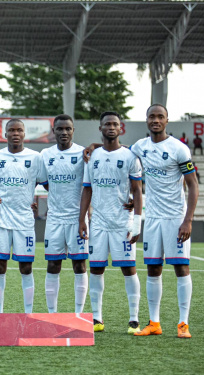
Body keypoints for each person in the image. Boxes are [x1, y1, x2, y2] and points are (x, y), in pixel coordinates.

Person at [85, 104, 198, 339]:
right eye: (151, 117)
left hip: (176, 217)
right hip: (153, 217)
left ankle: (183, 323)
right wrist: (95, 146)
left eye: (160, 117)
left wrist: (188, 220)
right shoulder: (140, 147)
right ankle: (154, 323)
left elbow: (193, 185)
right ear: (146, 120)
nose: (155, 120)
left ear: (167, 120)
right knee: (154, 269)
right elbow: (118, 150)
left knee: (181, 267)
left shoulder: (179, 149)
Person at [79, 111, 143, 334]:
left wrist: (137, 222)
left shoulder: (130, 156)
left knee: (129, 268)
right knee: (96, 268)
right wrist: (82, 220)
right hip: (98, 223)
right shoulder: (92, 156)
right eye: (107, 124)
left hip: (122, 222)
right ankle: (97, 318)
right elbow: (87, 189)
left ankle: (133, 319)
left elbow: (137, 189)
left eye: (115, 124)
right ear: (100, 128)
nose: (111, 127)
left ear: (120, 128)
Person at [0, 119, 47, 313]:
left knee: (26, 268)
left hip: (25, 221)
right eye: (11, 130)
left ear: (24, 134)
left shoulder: (35, 157)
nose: (15, 133)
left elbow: (46, 183)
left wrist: (39, 203)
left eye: (19, 130)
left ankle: (28, 313)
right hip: (2, 220)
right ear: (5, 134)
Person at [39, 114, 88, 314]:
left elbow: (88, 186)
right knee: (53, 265)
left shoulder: (83, 154)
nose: (64, 132)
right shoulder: (45, 154)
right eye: (60, 129)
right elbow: (45, 182)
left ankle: (78, 313)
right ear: (54, 131)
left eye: (68, 128)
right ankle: (52, 314)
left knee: (79, 265)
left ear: (73, 130)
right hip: (55, 219)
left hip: (77, 219)